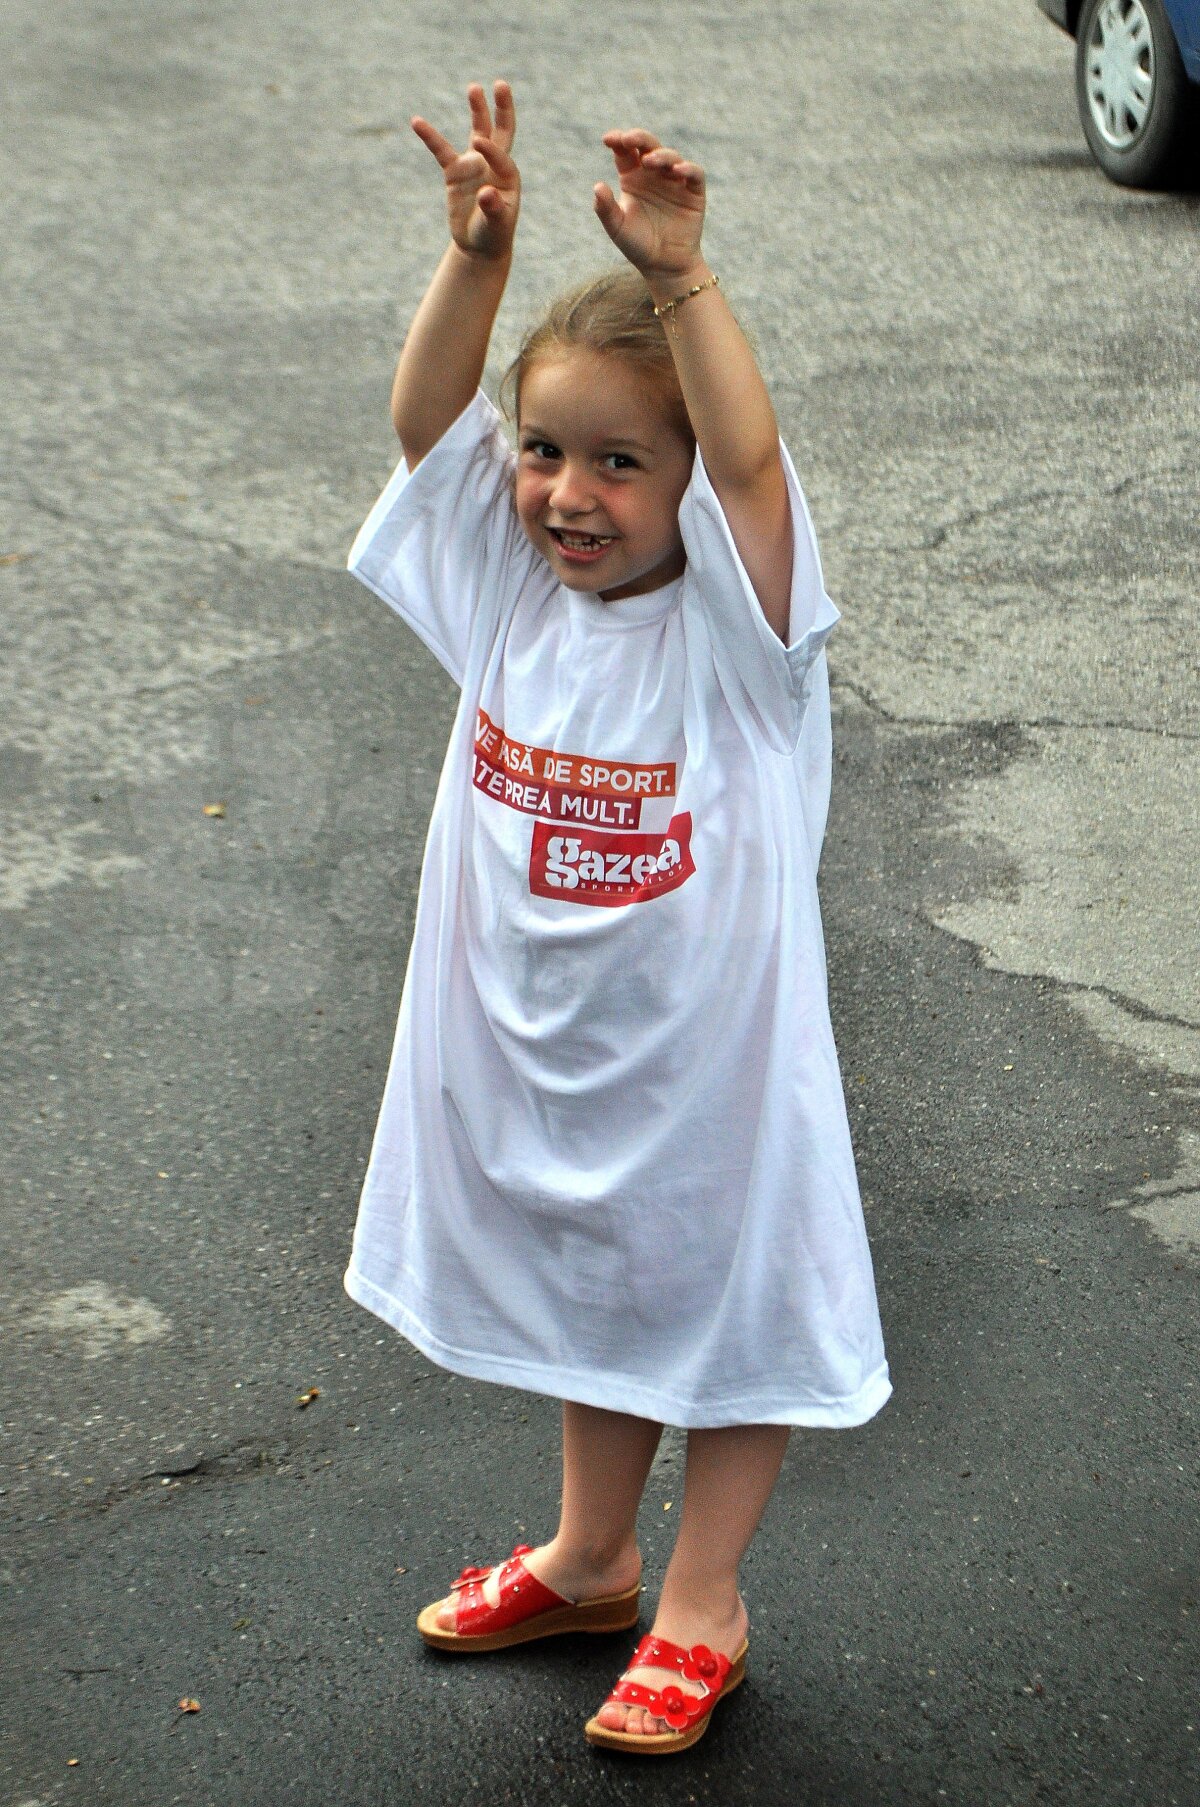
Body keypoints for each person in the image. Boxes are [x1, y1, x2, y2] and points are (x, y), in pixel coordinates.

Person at [343, 79, 890, 1755]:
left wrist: (684, 281)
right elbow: (424, 429)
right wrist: (479, 264)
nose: (569, 493)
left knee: (722, 1308)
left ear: (688, 496)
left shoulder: (743, 646)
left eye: (619, 465)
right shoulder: (516, 590)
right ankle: (590, 1558)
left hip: (707, 1072)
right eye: (549, 451)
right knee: (602, 1279)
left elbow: (749, 457)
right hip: (548, 1049)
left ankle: (703, 1603)